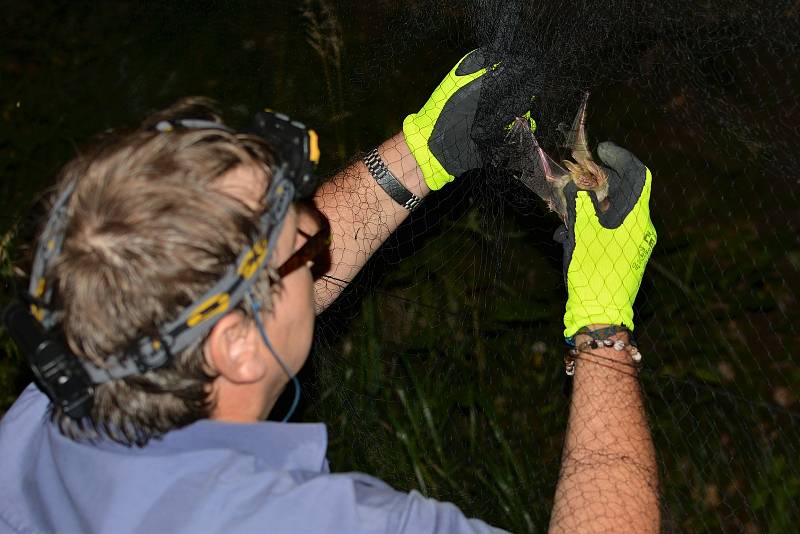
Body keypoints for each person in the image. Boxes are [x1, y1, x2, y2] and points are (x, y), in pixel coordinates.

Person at [0, 50, 658, 533]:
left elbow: (222, 301)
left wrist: (420, 152)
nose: (318, 231)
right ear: (236, 349)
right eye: (302, 244)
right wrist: (602, 328)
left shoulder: (53, 411)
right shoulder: (308, 523)